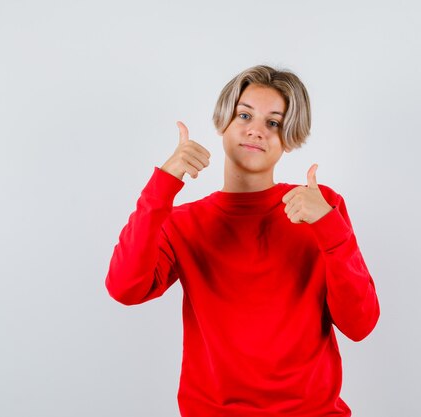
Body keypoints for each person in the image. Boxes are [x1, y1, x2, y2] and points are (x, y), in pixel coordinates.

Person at [105, 65, 380, 417]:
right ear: (223, 123)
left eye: (274, 122)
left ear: (289, 138)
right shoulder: (183, 223)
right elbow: (125, 288)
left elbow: (360, 325)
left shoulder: (320, 207)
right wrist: (162, 185)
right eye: (244, 115)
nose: (256, 131)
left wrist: (330, 229)